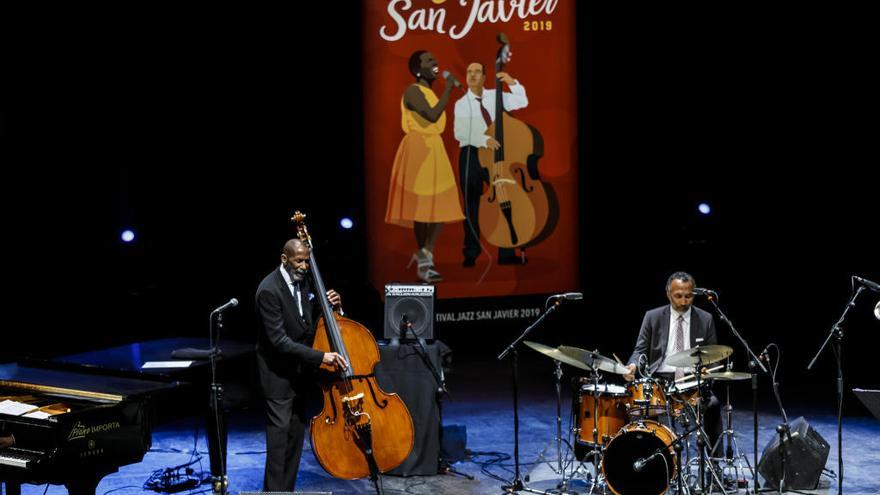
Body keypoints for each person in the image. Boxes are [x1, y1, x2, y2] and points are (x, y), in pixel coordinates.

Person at [255, 238, 348, 492]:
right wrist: (321, 357)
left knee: (295, 438)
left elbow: (319, 318)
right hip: (277, 377)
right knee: (278, 443)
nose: (305, 266)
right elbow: (279, 341)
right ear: (284, 259)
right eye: (299, 260)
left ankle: (287, 490)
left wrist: (335, 306)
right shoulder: (268, 290)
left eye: (307, 260)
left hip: (300, 375)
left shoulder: (306, 281)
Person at [623, 271, 723, 458]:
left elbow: (714, 354)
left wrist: (708, 368)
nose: (684, 301)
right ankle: (650, 462)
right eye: (678, 296)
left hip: (692, 380)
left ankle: (715, 465)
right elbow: (640, 350)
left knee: (714, 405)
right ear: (668, 294)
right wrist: (632, 365)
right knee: (639, 409)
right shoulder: (652, 317)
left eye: (688, 296)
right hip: (661, 380)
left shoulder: (706, 319)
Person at [385, 50, 465, 282]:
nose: (435, 62)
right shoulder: (413, 91)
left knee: (441, 204)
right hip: (418, 148)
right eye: (429, 60)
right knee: (421, 207)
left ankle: (425, 253)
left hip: (434, 148)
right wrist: (449, 88)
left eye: (435, 58)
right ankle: (423, 259)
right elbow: (431, 115)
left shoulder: (430, 91)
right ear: (418, 69)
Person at [453, 61, 528, 266]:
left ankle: (506, 253)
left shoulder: (496, 96)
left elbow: (522, 101)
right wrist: (485, 139)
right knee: (471, 205)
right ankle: (471, 252)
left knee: (504, 199)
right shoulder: (461, 103)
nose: (472, 75)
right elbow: (460, 133)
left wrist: (512, 82)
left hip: (496, 155)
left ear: (485, 76)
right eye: (469, 71)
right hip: (471, 154)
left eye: (477, 71)